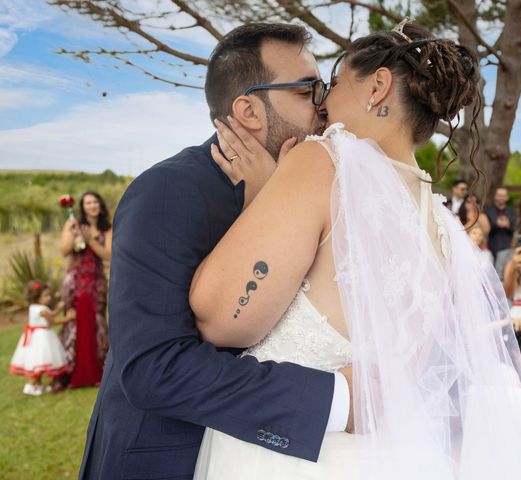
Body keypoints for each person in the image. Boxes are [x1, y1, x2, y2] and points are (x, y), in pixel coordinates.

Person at [190, 20, 521, 478]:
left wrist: (265, 196)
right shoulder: (442, 224)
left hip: (283, 458)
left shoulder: (322, 161)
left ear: (378, 87)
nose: (323, 103)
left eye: (335, 84)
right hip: (377, 460)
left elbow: (218, 318)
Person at [79, 24, 355, 480]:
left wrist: (274, 199)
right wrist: (337, 400)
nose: (323, 105)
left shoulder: (317, 190)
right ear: (248, 109)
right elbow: (155, 368)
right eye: (309, 89)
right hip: (169, 461)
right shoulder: (169, 190)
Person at [55, 191, 111, 391]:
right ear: (82, 206)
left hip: (96, 282)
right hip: (75, 282)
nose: (92, 205)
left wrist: (90, 239)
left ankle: (98, 372)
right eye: (88, 202)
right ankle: (72, 371)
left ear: (100, 204)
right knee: (74, 322)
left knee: (97, 322)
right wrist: (73, 232)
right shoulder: (72, 224)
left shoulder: (107, 228)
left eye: (95, 201)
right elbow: (64, 250)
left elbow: (108, 255)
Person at [9, 281, 74, 395]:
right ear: (37, 297)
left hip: (36, 337)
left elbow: (51, 314)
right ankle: (30, 385)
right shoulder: (42, 310)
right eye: (46, 296)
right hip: (42, 338)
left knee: (37, 365)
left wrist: (58, 309)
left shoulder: (34, 307)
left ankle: (38, 386)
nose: (49, 298)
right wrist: (68, 318)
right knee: (38, 364)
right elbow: (53, 321)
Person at [484, 186, 517, 279]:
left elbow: (515, 228)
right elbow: (485, 229)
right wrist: (496, 224)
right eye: (499, 195)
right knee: (490, 276)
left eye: (503, 195)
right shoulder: (488, 211)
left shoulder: (511, 211)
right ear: (495, 196)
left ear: (507, 197)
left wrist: (507, 225)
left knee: (505, 275)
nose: (501, 197)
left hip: (506, 247)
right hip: (491, 246)